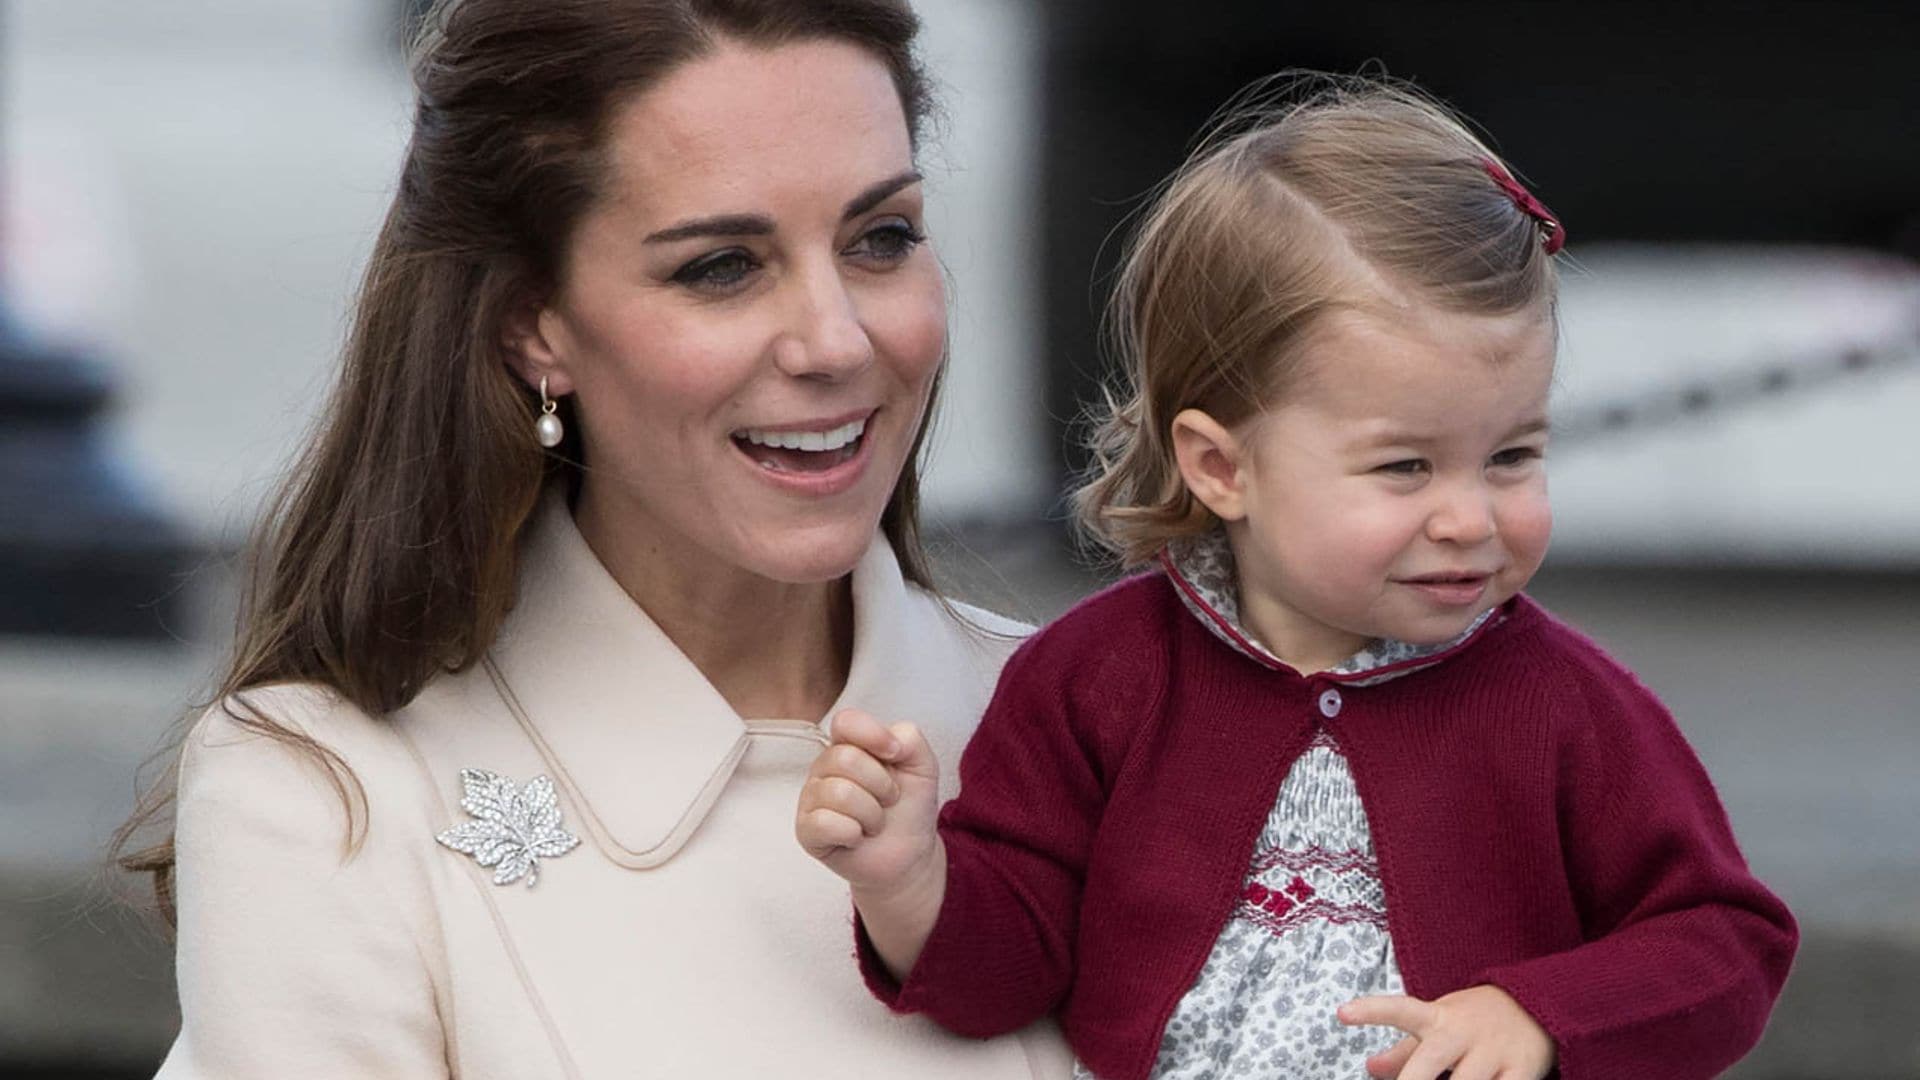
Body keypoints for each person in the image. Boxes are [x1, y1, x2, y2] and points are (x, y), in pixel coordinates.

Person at [114, 1, 1073, 1076]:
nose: (835, 340)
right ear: (535, 323)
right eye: (722, 266)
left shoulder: (1103, 729)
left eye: (880, 239)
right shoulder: (328, 798)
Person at [796, 77, 1799, 1080]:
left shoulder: (1568, 706)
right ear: (1222, 468)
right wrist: (908, 880)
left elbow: (1726, 946)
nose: (1471, 517)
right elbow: (1003, 983)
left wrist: (1536, 1016)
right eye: (1406, 466)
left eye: (1512, 456)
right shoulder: (1095, 681)